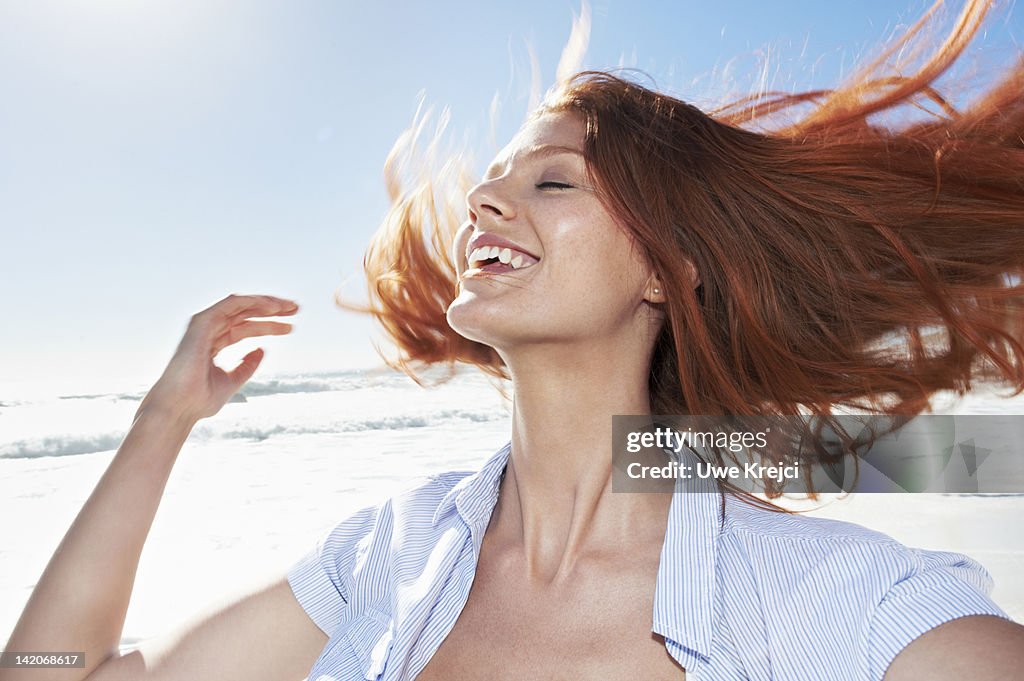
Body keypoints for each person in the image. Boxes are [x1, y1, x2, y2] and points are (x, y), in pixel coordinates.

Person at [4, 0, 1024, 679]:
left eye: (551, 180)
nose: (483, 199)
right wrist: (161, 418)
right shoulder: (388, 553)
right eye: (493, 179)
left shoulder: (831, 601)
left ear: (669, 273)